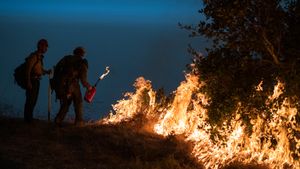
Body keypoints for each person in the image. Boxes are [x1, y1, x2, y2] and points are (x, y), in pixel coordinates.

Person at [53, 47, 92, 127]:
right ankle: (79, 122)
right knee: (78, 102)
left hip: (61, 84)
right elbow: (83, 79)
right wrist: (88, 87)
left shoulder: (67, 58)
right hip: (73, 85)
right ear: (82, 54)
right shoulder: (82, 63)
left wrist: (57, 81)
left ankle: (58, 120)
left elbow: (57, 67)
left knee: (66, 104)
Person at [24, 38, 51, 123]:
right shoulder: (34, 56)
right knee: (30, 100)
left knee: (33, 100)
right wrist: (28, 82)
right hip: (32, 80)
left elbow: (39, 69)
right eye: (45, 46)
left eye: (46, 47)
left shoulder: (39, 57)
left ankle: (29, 118)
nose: (46, 49)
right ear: (40, 46)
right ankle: (28, 119)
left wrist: (46, 72)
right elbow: (28, 70)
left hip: (36, 80)